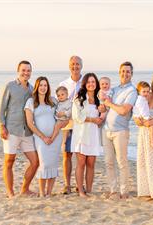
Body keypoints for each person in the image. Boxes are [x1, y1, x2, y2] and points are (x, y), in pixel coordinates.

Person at [0, 60, 39, 198]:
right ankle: (10, 192)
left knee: (35, 162)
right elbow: (1, 107)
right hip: (11, 130)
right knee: (9, 161)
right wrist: (1, 126)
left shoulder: (33, 89)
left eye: (28, 70)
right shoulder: (10, 86)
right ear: (18, 71)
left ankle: (24, 189)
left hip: (27, 131)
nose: (26, 73)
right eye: (23, 70)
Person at [25, 77, 68, 197]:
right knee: (44, 164)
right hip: (40, 138)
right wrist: (43, 137)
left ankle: (49, 192)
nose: (43, 88)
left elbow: (64, 116)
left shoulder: (53, 100)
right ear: (37, 87)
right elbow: (29, 123)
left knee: (53, 164)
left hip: (55, 138)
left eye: (45, 85)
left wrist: (62, 123)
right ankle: (42, 193)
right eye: (41, 85)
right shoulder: (31, 102)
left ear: (48, 87)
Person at [101, 61, 138, 199]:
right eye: (123, 71)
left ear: (131, 74)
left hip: (121, 131)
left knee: (122, 162)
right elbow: (105, 106)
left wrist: (109, 103)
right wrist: (103, 107)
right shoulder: (114, 89)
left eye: (128, 71)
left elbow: (124, 110)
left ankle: (124, 192)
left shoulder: (132, 91)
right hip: (106, 130)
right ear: (119, 72)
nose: (125, 73)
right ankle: (113, 190)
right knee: (108, 162)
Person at [71, 73, 103, 197]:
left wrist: (100, 119)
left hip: (94, 135)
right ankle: (80, 190)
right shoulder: (78, 99)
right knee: (81, 163)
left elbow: (102, 118)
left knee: (91, 164)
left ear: (96, 84)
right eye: (89, 82)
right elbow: (77, 117)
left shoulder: (99, 100)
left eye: (93, 82)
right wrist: (93, 120)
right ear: (85, 84)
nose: (91, 84)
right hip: (81, 135)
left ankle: (89, 190)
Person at [59, 56, 83, 194]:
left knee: (81, 155)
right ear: (69, 66)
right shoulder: (64, 83)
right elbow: (59, 104)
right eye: (73, 64)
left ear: (81, 66)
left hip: (82, 124)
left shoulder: (85, 82)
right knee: (67, 154)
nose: (75, 66)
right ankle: (67, 185)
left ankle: (80, 184)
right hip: (68, 124)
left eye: (78, 64)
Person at [133, 81, 153, 150]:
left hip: (140, 116)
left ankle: (152, 141)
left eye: (147, 91)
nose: (146, 93)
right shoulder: (140, 100)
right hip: (142, 117)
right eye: (144, 91)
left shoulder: (142, 98)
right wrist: (147, 118)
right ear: (139, 91)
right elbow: (142, 110)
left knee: (151, 127)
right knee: (152, 126)